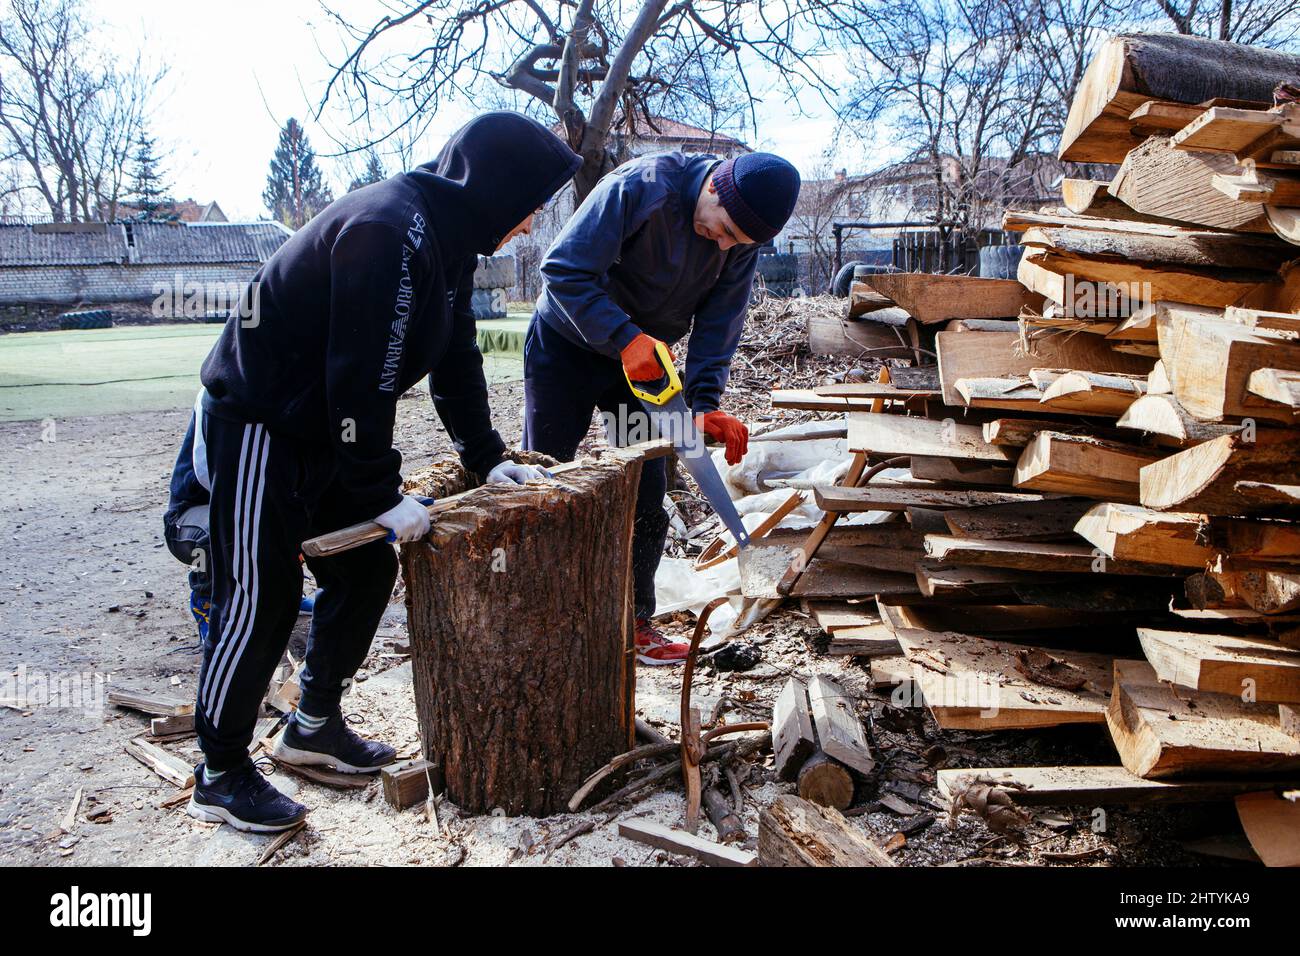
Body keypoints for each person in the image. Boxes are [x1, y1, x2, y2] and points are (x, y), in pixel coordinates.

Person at [186, 112, 581, 832]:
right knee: (262, 594)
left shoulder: (449, 239)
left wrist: (487, 457)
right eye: (527, 207)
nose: (527, 227)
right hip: (261, 423)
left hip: (325, 427)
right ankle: (219, 770)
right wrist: (379, 492)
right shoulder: (388, 230)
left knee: (366, 569)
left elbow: (456, 358)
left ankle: (311, 724)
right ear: (495, 189)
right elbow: (358, 382)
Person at [523, 150, 800, 664]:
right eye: (722, 231)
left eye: (737, 242)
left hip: (644, 372)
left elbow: (720, 323)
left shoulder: (739, 238)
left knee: (646, 489)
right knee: (545, 478)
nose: (723, 244)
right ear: (715, 187)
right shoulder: (640, 187)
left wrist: (702, 404)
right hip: (568, 345)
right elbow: (561, 271)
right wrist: (623, 335)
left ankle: (634, 623)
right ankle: (533, 616)